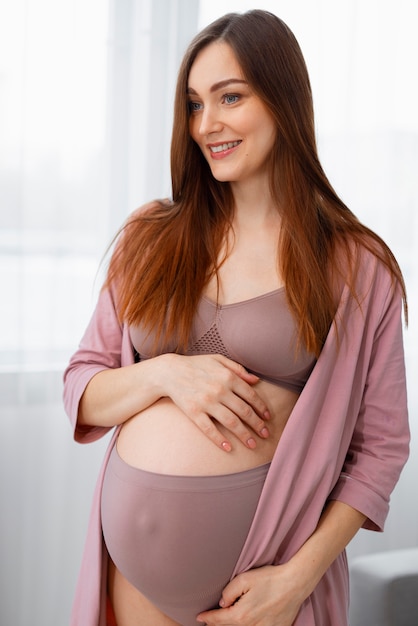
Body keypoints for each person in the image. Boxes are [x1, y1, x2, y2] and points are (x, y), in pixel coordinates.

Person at [63, 9, 410, 626]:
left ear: (283, 100)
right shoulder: (150, 237)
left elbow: (379, 449)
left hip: (265, 591)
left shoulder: (356, 266)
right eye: (195, 104)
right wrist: (164, 374)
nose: (208, 124)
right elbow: (81, 386)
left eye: (231, 97)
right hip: (133, 584)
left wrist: (294, 583)